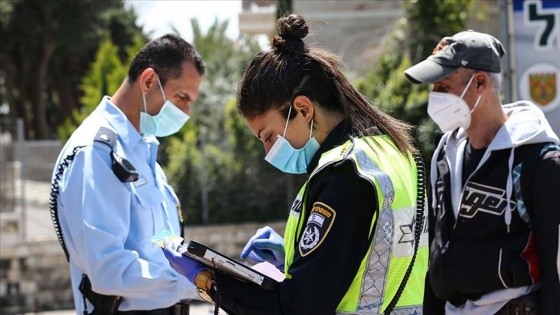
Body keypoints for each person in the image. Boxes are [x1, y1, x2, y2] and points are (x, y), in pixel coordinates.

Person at [163, 13, 428, 314]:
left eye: (268, 135)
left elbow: (296, 308)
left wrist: (207, 279)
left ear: (302, 109)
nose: (267, 151)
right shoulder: (391, 152)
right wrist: (296, 255)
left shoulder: (344, 174)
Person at [403, 30, 560, 314]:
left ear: (479, 82)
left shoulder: (539, 159)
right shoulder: (444, 157)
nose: (434, 97)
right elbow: (436, 255)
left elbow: (554, 268)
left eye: (443, 86)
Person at [50, 34, 205, 314]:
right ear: (148, 81)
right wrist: (195, 282)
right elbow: (108, 268)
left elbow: (162, 247)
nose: (186, 112)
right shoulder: (95, 152)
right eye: (182, 97)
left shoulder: (141, 152)